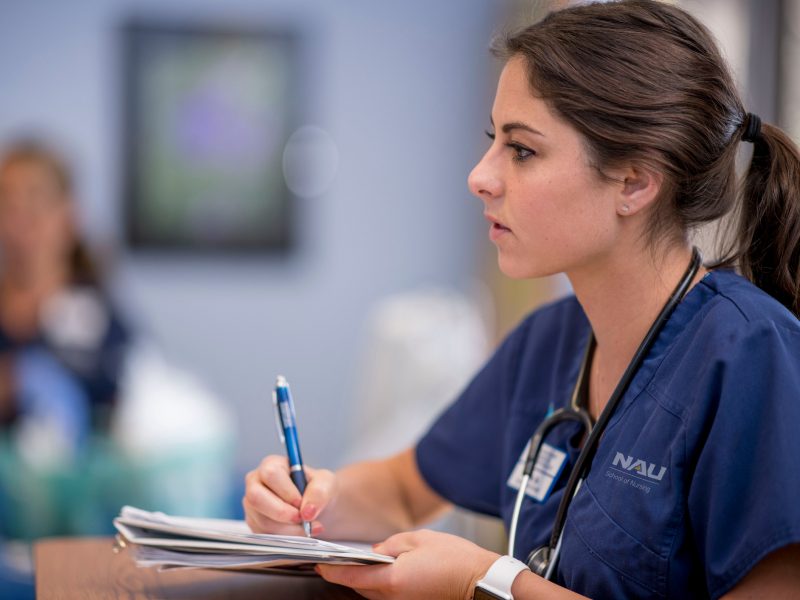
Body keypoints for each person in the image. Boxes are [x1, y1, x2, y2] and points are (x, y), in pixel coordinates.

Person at [243, 1, 800, 598]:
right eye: (493, 142)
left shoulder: (750, 356)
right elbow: (403, 491)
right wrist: (307, 499)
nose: (479, 176)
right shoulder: (549, 343)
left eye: (523, 150)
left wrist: (480, 581)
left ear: (635, 182)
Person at [0, 139, 131, 452]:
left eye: (36, 201)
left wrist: (17, 386)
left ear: (69, 215)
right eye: (8, 203)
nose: (21, 221)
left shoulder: (94, 317)